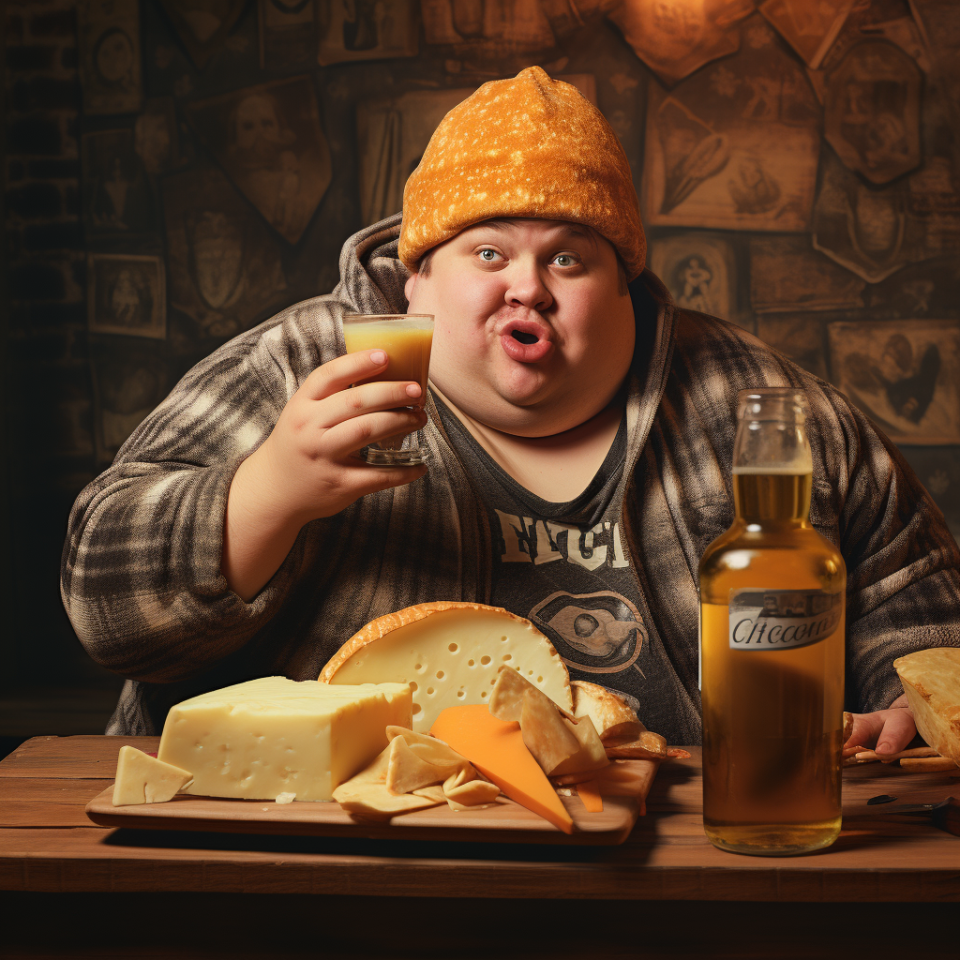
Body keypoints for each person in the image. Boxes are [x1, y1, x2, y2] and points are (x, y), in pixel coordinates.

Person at [62, 68, 960, 755]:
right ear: (416, 280)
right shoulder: (308, 365)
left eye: (569, 259)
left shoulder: (761, 409)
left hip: (690, 854)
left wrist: (904, 707)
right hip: (333, 854)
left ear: (624, 290)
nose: (526, 286)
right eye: (487, 252)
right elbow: (102, 607)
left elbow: (915, 608)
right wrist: (269, 492)